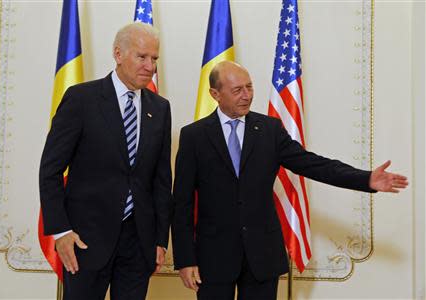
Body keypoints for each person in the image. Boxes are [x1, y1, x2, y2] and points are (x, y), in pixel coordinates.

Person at [171, 61, 408, 300]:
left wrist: (365, 179)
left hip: (262, 256)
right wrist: (185, 260)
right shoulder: (194, 136)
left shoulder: (269, 130)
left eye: (249, 87)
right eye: (237, 90)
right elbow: (181, 203)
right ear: (215, 94)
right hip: (214, 258)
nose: (247, 96)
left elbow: (313, 164)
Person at [39, 23, 172, 300]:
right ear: (118, 54)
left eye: (154, 59)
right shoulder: (81, 99)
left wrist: (160, 239)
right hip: (85, 241)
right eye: (142, 56)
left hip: (139, 244)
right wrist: (61, 231)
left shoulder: (160, 108)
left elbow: (161, 180)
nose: (150, 66)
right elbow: (50, 170)